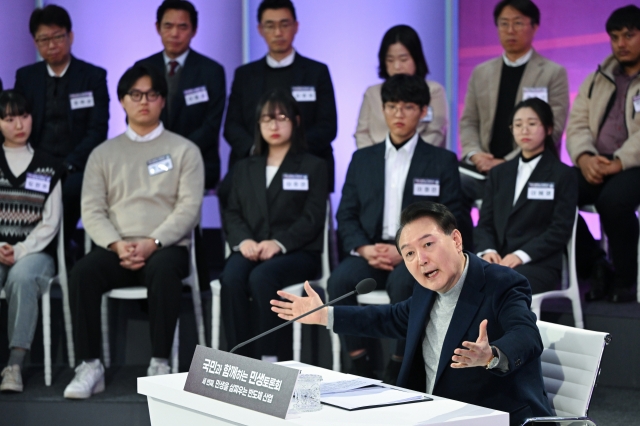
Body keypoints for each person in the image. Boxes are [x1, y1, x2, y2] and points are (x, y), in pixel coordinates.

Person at [272, 201, 553, 426]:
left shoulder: (501, 283)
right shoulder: (425, 290)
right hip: (430, 414)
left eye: (428, 244)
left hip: (492, 417)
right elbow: (391, 318)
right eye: (409, 254)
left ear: (455, 239)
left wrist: (491, 354)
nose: (421, 260)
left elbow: (527, 335)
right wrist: (324, 315)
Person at [63, 65, 203, 399]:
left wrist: (152, 242)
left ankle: (159, 363)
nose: (144, 102)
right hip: (117, 247)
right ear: (122, 101)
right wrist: (116, 243)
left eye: (152, 95)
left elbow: (188, 208)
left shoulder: (185, 150)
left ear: (163, 102)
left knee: (165, 268)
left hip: (165, 246)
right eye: (135, 95)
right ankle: (90, 366)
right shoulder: (103, 154)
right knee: (82, 272)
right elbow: (92, 209)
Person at [330, 74, 462, 384]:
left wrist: (409, 251)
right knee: (339, 283)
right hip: (371, 250)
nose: (398, 115)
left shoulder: (442, 160)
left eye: (407, 107)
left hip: (416, 254)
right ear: (383, 109)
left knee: (407, 284)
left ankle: (399, 366)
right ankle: (359, 362)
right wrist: (363, 247)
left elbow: (451, 217)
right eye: (391, 106)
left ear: (423, 111)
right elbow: (346, 214)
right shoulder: (363, 159)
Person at [220, 88, 327, 362]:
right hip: (251, 248)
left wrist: (278, 243)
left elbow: (313, 217)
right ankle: (237, 358)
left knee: (262, 277)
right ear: (258, 125)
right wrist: (244, 241)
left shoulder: (313, 166)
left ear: (296, 121)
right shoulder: (244, 167)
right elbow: (231, 211)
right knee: (231, 277)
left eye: (282, 118)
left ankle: (270, 358)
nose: (274, 125)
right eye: (267, 119)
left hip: (297, 252)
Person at [458, 0, 569, 250]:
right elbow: (468, 122)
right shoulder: (481, 72)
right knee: (450, 184)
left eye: (518, 23)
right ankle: (464, 257)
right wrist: (475, 155)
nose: (510, 30)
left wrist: (508, 163)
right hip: (483, 169)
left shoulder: (553, 73)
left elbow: (555, 127)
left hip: (528, 169)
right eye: (504, 24)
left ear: (535, 26)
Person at [14, 5, 109, 253]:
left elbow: (97, 130)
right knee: (26, 189)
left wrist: (69, 163)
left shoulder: (92, 76)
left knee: (68, 192)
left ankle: (57, 251)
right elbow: (18, 123)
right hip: (38, 164)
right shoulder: (26, 77)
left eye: (57, 37)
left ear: (71, 36)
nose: (51, 45)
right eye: (43, 39)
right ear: (35, 43)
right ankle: (45, 252)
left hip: (77, 166)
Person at [222, 0, 337, 199]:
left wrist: (290, 151)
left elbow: (328, 126)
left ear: (296, 26)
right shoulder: (245, 75)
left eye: (284, 24)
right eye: (270, 25)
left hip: (306, 166)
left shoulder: (316, 72)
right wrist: (258, 151)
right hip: (254, 168)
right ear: (259, 29)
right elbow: (232, 126)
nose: (278, 32)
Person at [566, 5, 640, 303]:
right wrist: (584, 157)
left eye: (629, 35)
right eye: (614, 37)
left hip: (633, 164)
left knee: (613, 202)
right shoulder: (599, 76)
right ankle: (596, 263)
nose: (621, 43)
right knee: (554, 189)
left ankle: (625, 279)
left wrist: (619, 161)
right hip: (596, 161)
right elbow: (577, 123)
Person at [475, 98, 577, 294]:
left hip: (538, 263)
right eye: (518, 125)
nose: (524, 130)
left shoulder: (562, 174)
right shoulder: (499, 173)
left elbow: (560, 229)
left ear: (548, 129)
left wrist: (521, 255)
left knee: (502, 286)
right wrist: (488, 251)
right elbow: (485, 223)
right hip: (497, 259)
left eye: (532, 123)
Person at [0, 90, 63, 393]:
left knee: (22, 277)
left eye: (23, 116)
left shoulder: (49, 165)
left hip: (35, 253)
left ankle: (14, 365)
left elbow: (51, 221)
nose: (19, 125)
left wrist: (21, 249)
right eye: (9, 118)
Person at [135, 0, 226, 190]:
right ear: (157, 28)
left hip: (198, 161)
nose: (175, 34)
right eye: (168, 26)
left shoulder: (212, 71)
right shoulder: (142, 68)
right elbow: (135, 118)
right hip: (152, 159)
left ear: (194, 30)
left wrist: (176, 155)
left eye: (182, 27)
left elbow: (211, 125)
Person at [355, 25, 448, 149]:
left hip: (421, 161)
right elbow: (362, 134)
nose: (397, 66)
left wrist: (407, 156)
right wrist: (376, 159)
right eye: (390, 60)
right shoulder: (372, 93)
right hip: (378, 161)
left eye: (403, 59)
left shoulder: (433, 91)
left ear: (416, 59)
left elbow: (436, 132)